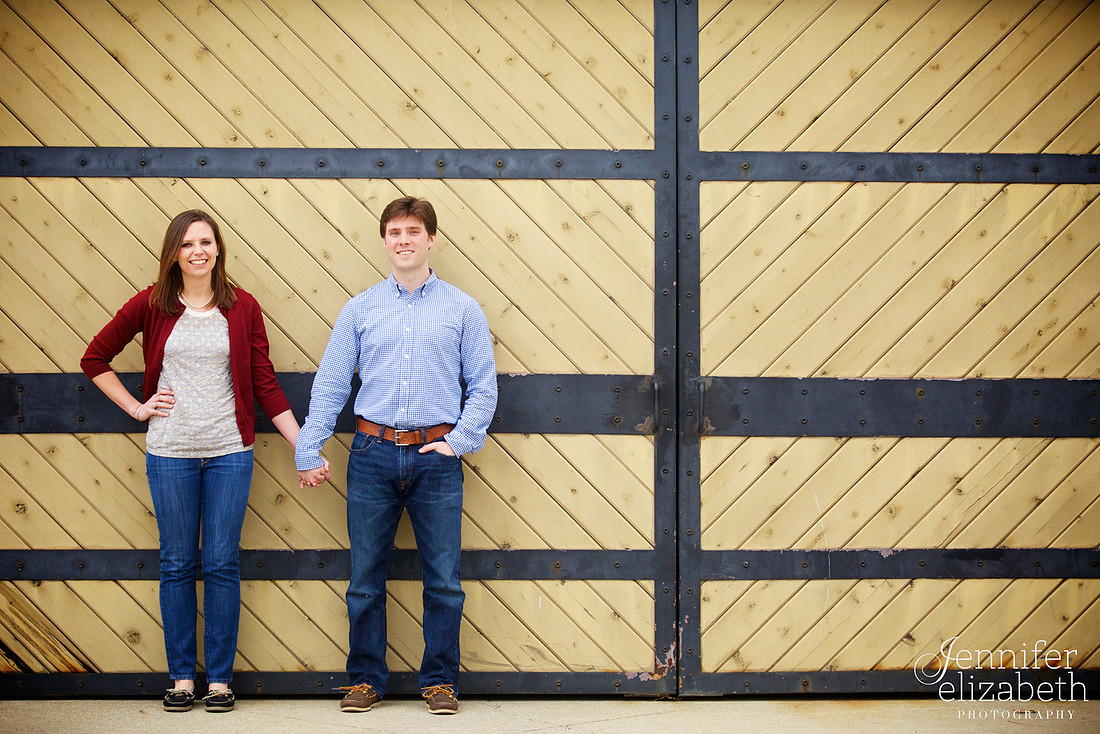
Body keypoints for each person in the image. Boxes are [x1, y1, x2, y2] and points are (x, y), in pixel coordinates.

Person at [81, 210, 309, 713]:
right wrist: (138, 407)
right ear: (174, 253)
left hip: (230, 452)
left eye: (206, 242)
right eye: (187, 244)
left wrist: (302, 444)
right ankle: (183, 678)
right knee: (178, 563)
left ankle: (220, 681)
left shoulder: (243, 307)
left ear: (218, 250)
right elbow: (95, 358)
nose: (198, 251)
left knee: (223, 563)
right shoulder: (152, 304)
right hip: (170, 454)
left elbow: (265, 382)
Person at [295, 196, 497, 715]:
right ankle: (365, 678)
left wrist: (458, 441)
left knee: (444, 581)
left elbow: (483, 386)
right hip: (371, 454)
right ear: (384, 240)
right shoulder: (361, 308)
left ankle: (440, 682)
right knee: (365, 578)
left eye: (413, 231)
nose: (403, 240)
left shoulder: (461, 308)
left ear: (432, 238)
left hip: (436, 459)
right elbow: (333, 383)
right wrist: (308, 445)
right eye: (394, 232)